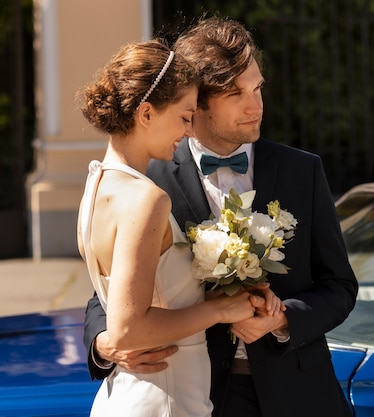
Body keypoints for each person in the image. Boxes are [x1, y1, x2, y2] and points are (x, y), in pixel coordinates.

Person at [83, 16, 359, 417]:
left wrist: (282, 322)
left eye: (258, 88)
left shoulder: (303, 170)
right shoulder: (149, 183)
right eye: (235, 94)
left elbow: (340, 286)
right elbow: (107, 291)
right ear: (196, 107)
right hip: (203, 393)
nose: (256, 105)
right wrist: (104, 344)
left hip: (299, 394)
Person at [77, 39, 283, 416]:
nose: (189, 131)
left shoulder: (97, 183)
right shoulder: (146, 199)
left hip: (135, 391)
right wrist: (222, 310)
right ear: (146, 114)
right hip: (166, 399)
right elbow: (127, 330)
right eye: (185, 116)